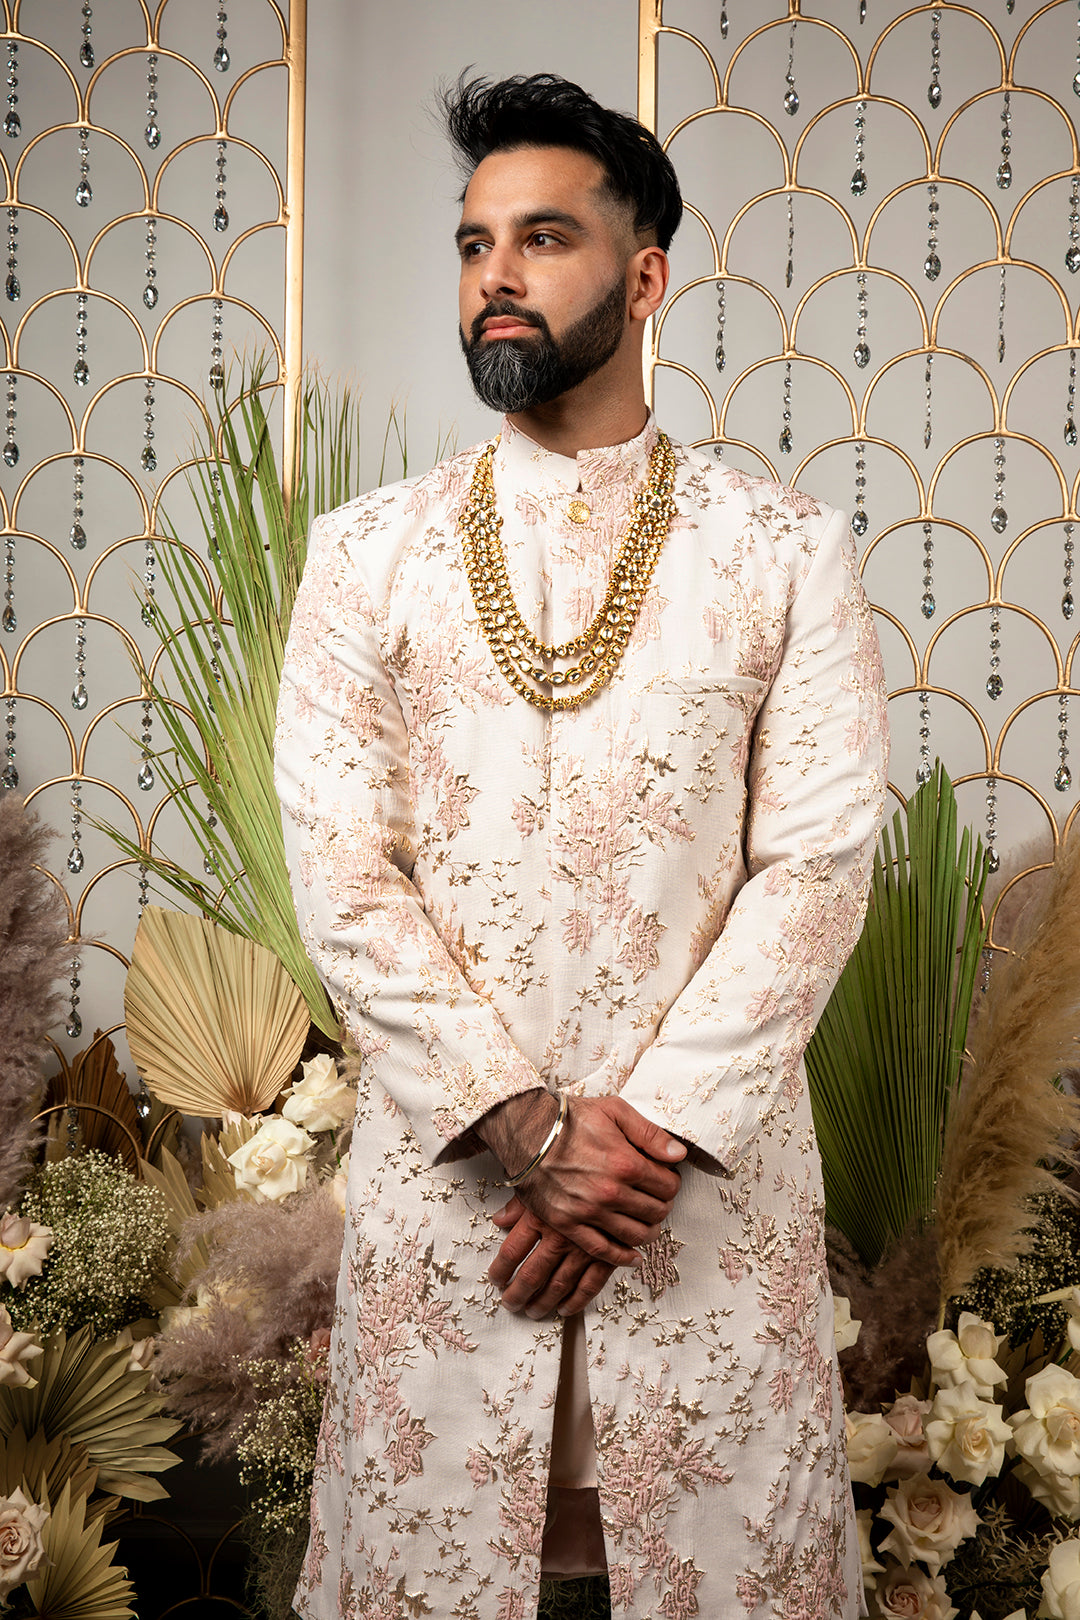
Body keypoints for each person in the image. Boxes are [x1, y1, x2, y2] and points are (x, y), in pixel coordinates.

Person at [275, 71, 888, 1620]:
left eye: (544, 237)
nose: (496, 273)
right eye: (475, 241)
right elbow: (344, 874)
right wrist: (522, 1131)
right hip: (458, 1213)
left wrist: (645, 1142)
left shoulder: (781, 550)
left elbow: (815, 867)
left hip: (696, 1218)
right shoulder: (363, 559)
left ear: (646, 273)